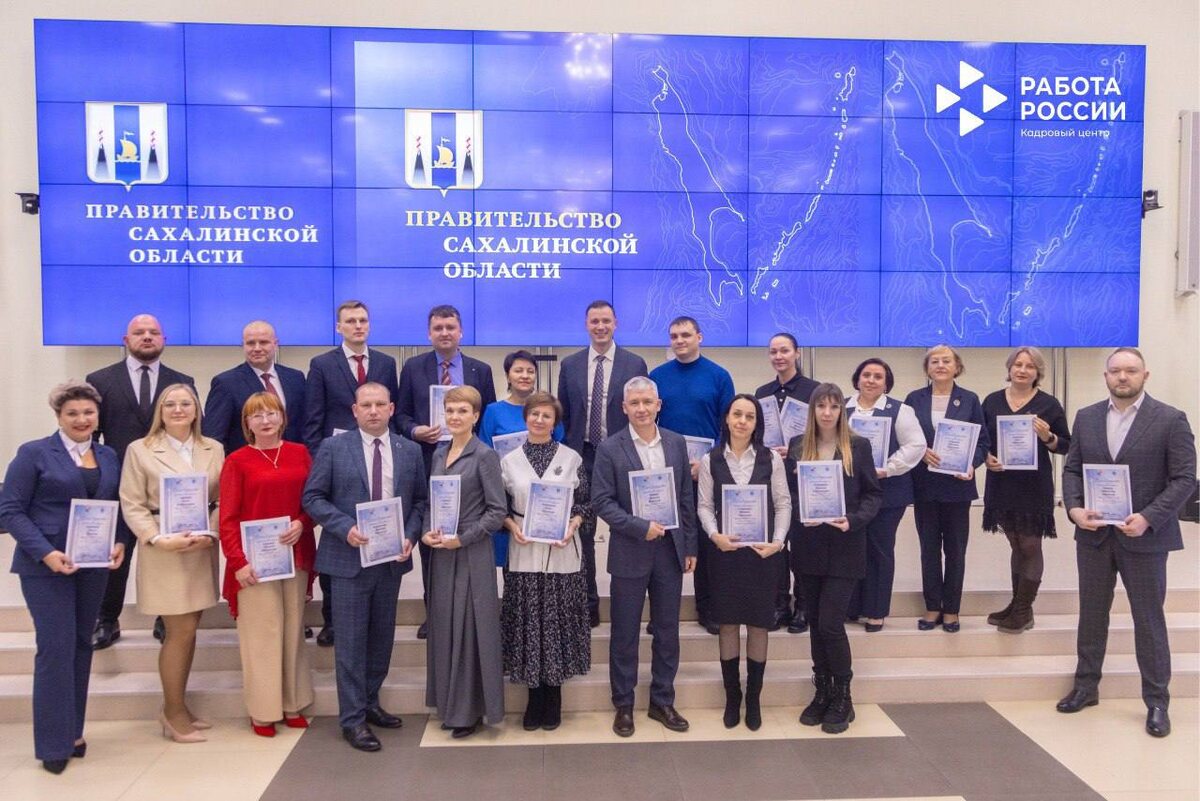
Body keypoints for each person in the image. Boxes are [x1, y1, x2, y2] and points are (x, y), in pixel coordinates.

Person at [1058, 347, 1195, 738]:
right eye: (1115, 370)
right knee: (1091, 614)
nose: (1122, 377)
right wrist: (1074, 509)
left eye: (1131, 371)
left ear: (1144, 375)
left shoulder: (1170, 419)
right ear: (1106, 376)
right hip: (1094, 536)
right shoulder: (1086, 417)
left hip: (1146, 538)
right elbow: (1072, 470)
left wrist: (1149, 517)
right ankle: (1086, 687)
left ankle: (1157, 702)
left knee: (1148, 620)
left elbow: (1184, 479)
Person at [0, 381, 125, 774]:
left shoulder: (107, 455)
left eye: (88, 413)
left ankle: (73, 732)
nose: (81, 419)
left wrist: (120, 541)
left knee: (81, 645)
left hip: (92, 566)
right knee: (55, 649)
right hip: (46, 567)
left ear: (97, 416)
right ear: (58, 416)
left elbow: (115, 505)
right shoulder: (34, 453)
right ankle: (52, 744)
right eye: (72, 413)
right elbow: (10, 510)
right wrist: (46, 553)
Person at [302, 382, 427, 752]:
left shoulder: (409, 450)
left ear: (391, 409)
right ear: (354, 411)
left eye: (380, 404)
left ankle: (371, 702)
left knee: (380, 639)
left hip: (389, 561)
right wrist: (345, 528)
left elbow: (420, 502)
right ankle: (353, 719)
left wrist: (410, 535)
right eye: (366, 405)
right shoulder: (333, 447)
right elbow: (313, 497)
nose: (373, 411)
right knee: (351, 643)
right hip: (347, 560)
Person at [592, 376, 698, 738]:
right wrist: (640, 527)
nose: (641, 409)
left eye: (647, 402)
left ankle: (662, 700)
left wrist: (690, 546)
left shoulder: (676, 442)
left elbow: (686, 497)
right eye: (634, 403)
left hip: (670, 551)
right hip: (630, 550)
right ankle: (623, 704)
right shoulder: (610, 448)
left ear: (658, 405)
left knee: (668, 630)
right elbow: (602, 501)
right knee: (625, 632)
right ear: (624, 408)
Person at [119, 383, 224, 743]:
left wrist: (211, 533)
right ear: (160, 412)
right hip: (164, 551)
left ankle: (178, 705)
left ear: (196, 410)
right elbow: (131, 502)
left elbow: (221, 499)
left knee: (190, 630)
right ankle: (172, 713)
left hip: (200, 549)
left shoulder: (213, 448)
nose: (178, 410)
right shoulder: (140, 449)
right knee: (179, 632)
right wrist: (156, 538)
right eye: (170, 405)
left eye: (185, 404)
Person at [86, 313, 194, 649]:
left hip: (166, 488)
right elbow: (91, 435)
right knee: (115, 556)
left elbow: (189, 432)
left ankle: (166, 616)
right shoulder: (100, 380)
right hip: (117, 485)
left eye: (153, 332)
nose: (147, 337)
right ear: (126, 339)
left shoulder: (182, 381)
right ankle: (106, 619)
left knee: (165, 556)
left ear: (164, 340)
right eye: (139, 332)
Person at [218, 392, 316, 737]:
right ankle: (263, 711)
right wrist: (238, 562)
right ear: (247, 423)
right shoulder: (237, 461)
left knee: (293, 631)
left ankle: (292, 704)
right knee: (262, 636)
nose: (265, 420)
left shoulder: (300, 453)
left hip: (295, 555)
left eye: (271, 413)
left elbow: (313, 501)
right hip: (254, 564)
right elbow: (227, 518)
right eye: (256, 415)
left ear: (282, 418)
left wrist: (303, 522)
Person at [303, 300, 399, 647]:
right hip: (339, 468)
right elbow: (313, 421)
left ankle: (373, 615)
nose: (358, 326)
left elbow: (392, 416)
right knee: (339, 546)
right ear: (339, 327)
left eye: (363, 320)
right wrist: (322, 466)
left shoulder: (386, 363)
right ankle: (333, 620)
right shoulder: (322, 364)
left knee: (377, 543)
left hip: (377, 464)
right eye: (351, 321)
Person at [397, 304, 497, 639]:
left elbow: (486, 418)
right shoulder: (413, 368)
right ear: (429, 333)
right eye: (438, 328)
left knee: (469, 530)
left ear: (461, 331)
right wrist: (415, 431)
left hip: (470, 464)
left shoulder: (480, 369)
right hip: (429, 460)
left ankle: (469, 609)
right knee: (434, 536)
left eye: (450, 327)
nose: (444, 333)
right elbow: (401, 416)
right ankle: (435, 612)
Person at [789, 383, 881, 734]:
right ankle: (823, 691)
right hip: (808, 546)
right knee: (815, 621)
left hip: (845, 547)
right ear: (812, 410)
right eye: (821, 406)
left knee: (830, 622)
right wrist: (802, 513)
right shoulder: (798, 446)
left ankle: (844, 695)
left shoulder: (858, 446)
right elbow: (788, 496)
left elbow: (873, 495)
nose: (827, 413)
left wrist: (852, 520)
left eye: (834, 406)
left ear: (843, 410)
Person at [499, 392, 591, 731]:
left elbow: (585, 503)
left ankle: (554, 697)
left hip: (561, 550)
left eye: (546, 416)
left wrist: (573, 525)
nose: (539, 420)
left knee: (557, 623)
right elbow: (499, 507)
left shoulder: (571, 458)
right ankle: (533, 698)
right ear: (526, 417)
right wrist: (512, 526)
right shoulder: (508, 461)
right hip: (523, 549)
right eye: (534, 414)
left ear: (555, 422)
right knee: (528, 624)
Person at [697, 395, 790, 730]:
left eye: (749, 416)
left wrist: (777, 542)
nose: (742, 421)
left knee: (758, 624)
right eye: (737, 414)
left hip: (762, 555)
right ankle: (732, 696)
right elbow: (704, 505)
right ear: (727, 418)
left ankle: (753, 698)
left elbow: (783, 503)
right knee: (727, 624)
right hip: (725, 554)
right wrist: (714, 535)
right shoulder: (710, 459)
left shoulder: (771, 459)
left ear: (756, 423)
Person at [556, 300, 648, 627]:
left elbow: (641, 411)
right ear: (586, 324)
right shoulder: (570, 365)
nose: (600, 326)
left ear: (615, 324)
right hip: (581, 455)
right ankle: (588, 603)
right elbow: (564, 413)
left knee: (628, 526)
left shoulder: (634, 363)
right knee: (584, 531)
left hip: (622, 454)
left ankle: (631, 602)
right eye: (594, 321)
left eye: (606, 321)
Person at [422, 386, 507, 738]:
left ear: (475, 416)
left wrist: (464, 538)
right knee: (445, 626)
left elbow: (497, 511)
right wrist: (427, 531)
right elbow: (431, 502)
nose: (455, 417)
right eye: (450, 410)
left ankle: (469, 711)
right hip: (442, 553)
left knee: (472, 630)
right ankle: (449, 704)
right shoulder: (439, 453)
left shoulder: (484, 455)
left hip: (471, 552)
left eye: (462, 411)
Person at [649, 316, 734, 635]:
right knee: (662, 542)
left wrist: (708, 463)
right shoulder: (657, 377)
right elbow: (648, 422)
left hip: (705, 470)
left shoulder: (719, 376)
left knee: (705, 539)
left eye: (685, 335)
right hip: (664, 471)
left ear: (700, 337)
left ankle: (707, 608)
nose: (680, 340)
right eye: (674, 336)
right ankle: (660, 614)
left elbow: (728, 426)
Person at [981, 347, 1071, 633]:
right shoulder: (992, 401)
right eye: (1017, 364)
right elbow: (982, 441)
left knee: (1030, 545)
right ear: (1009, 369)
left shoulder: (1049, 404)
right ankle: (1018, 605)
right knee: (1016, 544)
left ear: (1038, 372)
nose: (1022, 370)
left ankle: (1022, 610)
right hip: (1001, 483)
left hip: (1034, 486)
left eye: (1029, 366)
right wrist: (987, 457)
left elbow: (1066, 445)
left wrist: (1048, 436)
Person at [904, 345, 989, 633]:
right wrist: (920, 453)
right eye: (934, 361)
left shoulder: (970, 399)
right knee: (928, 549)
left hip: (957, 487)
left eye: (946, 361)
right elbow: (905, 439)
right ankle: (932, 607)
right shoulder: (913, 399)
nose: (940, 365)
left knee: (955, 550)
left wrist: (972, 464)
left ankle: (952, 609)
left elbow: (983, 442)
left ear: (957, 367)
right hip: (924, 486)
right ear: (927, 368)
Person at [845, 358, 925, 632]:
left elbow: (915, 446)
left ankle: (876, 611)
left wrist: (887, 468)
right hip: (850, 494)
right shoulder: (842, 408)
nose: (871, 380)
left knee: (879, 549)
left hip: (888, 493)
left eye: (878, 376)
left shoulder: (900, 410)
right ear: (857, 379)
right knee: (852, 550)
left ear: (887, 383)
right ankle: (852, 607)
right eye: (866, 375)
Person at [754, 332, 820, 633]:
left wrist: (792, 450)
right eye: (773, 352)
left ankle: (803, 606)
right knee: (776, 544)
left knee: (803, 546)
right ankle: (778, 604)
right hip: (772, 478)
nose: (778, 357)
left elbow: (823, 433)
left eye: (784, 351)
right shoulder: (762, 392)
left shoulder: (814, 390)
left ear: (797, 353)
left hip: (802, 478)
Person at [480, 350, 565, 567]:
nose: (525, 375)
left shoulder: (548, 409)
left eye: (530, 371)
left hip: (545, 497)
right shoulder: (493, 411)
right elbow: (485, 454)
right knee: (512, 562)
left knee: (546, 561)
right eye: (518, 370)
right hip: (507, 497)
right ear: (508, 376)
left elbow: (561, 450)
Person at [203, 320, 307, 455]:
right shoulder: (225, 383)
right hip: (247, 463)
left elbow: (305, 425)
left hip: (292, 461)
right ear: (243, 345)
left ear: (275, 344)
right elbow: (214, 437)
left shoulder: (295, 378)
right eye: (251, 343)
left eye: (263, 342)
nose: (257, 348)